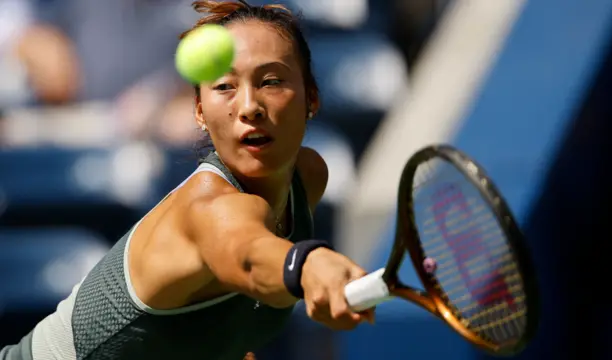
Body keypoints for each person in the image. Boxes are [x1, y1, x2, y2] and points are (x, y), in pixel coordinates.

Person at [0, 1, 374, 359]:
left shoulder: (308, 177)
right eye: (224, 87)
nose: (248, 106)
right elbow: (247, 255)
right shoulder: (206, 209)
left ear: (312, 98)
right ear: (199, 112)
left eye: (271, 81)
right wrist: (307, 266)